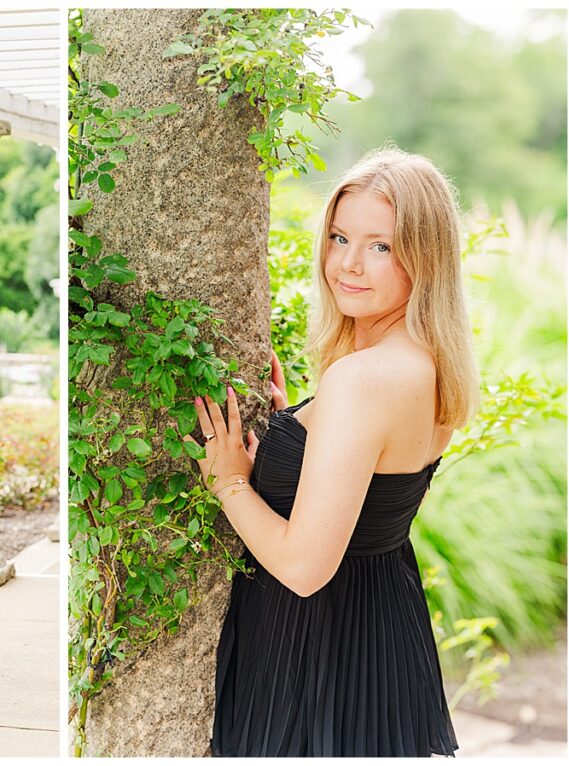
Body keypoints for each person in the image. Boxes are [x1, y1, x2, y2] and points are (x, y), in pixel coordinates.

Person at [190, 149, 480, 756]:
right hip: (377, 637)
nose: (348, 264)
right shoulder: (434, 368)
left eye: (381, 246)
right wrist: (299, 425)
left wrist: (230, 482)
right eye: (340, 237)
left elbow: (303, 568)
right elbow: (369, 486)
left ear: (425, 257)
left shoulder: (363, 380)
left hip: (312, 650)